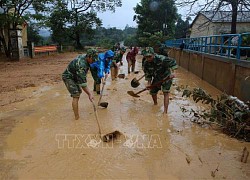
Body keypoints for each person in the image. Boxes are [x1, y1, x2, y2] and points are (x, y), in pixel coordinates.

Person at [62, 48, 98, 120]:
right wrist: (90, 94)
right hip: (68, 77)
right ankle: (76, 117)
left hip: (75, 75)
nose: (94, 61)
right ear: (89, 57)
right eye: (93, 59)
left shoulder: (86, 57)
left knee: (79, 92)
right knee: (76, 95)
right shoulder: (81, 65)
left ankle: (76, 115)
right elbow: (83, 84)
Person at [143, 47, 178, 113]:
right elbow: (148, 74)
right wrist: (149, 83)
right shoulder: (146, 63)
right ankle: (155, 104)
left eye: (149, 56)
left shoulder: (161, 59)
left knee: (166, 92)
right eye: (146, 57)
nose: (148, 58)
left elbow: (173, 62)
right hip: (157, 77)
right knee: (152, 91)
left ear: (153, 54)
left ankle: (165, 112)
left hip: (166, 76)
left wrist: (174, 72)